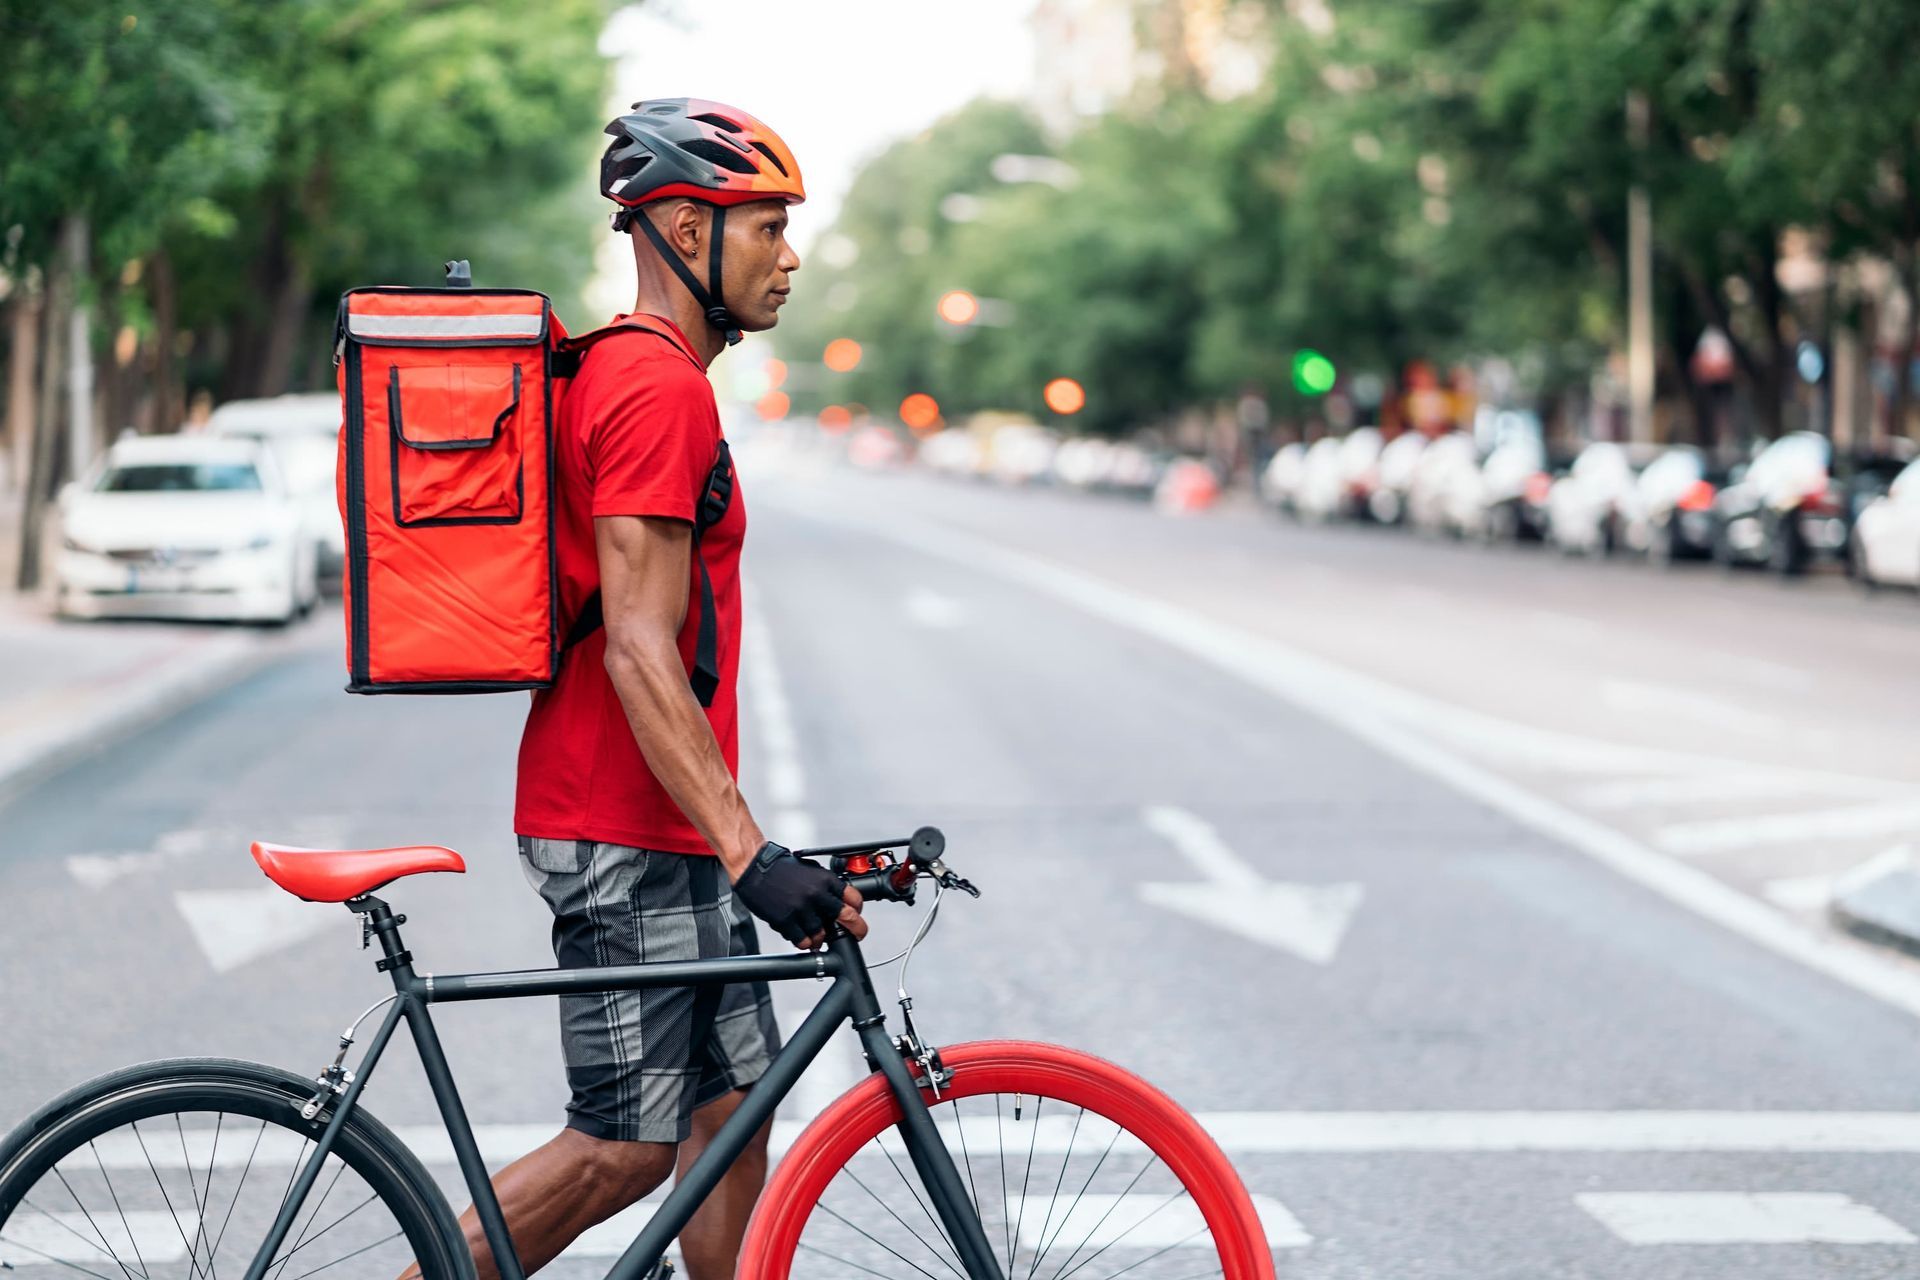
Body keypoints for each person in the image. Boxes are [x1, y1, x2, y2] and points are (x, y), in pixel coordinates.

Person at [403, 98, 867, 1280]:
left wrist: (735, 846)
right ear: (677, 227)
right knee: (623, 1147)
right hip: (618, 821)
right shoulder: (656, 387)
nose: (790, 253)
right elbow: (639, 648)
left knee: (734, 1107)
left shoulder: (645, 375)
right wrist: (753, 853)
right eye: (766, 225)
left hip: (659, 820)